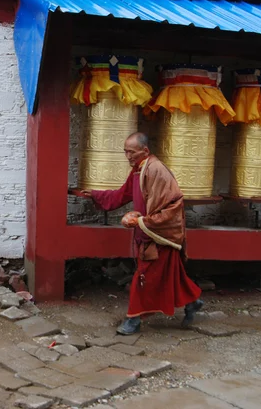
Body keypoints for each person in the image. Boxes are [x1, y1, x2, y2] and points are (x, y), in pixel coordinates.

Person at [81, 132, 203, 335]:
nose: (128, 156)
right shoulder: (138, 170)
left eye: (132, 152)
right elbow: (123, 195)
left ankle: (133, 319)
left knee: (143, 278)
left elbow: (173, 205)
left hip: (158, 236)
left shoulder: (156, 170)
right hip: (146, 231)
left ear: (145, 151)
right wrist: (95, 194)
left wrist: (144, 222)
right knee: (171, 276)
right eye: (125, 152)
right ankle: (192, 301)